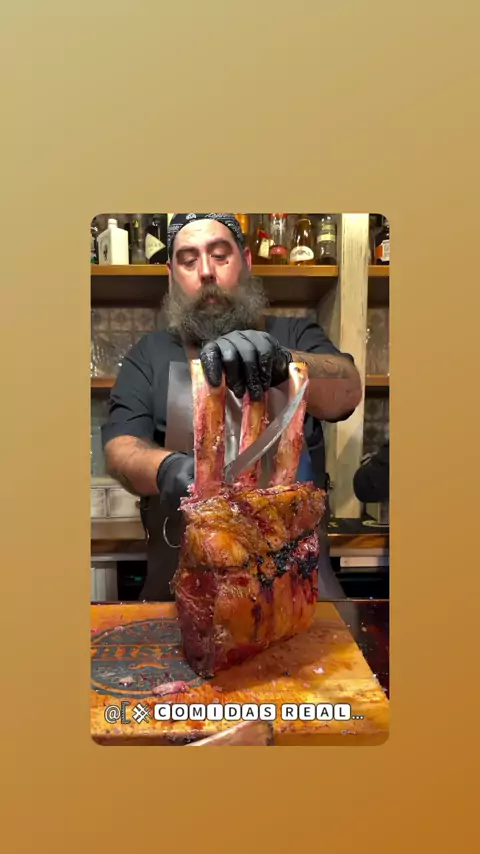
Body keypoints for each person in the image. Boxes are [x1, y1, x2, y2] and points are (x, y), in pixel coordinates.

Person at [101, 213, 362, 600]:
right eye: (189, 260)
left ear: (246, 261)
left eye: (220, 255)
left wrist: (283, 362)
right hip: (185, 584)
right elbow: (120, 447)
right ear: (172, 274)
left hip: (297, 585)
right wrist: (167, 469)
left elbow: (349, 389)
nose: (206, 271)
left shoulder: (293, 333)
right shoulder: (150, 354)